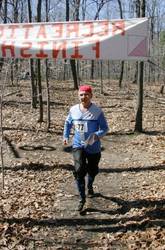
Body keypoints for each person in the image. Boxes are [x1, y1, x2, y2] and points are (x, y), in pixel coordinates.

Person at [63, 85, 109, 211]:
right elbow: (67, 123)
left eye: (86, 94)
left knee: (93, 170)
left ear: (91, 95)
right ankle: (82, 198)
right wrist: (66, 136)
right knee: (79, 171)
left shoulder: (97, 111)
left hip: (93, 146)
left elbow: (105, 128)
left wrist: (95, 136)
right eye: (81, 95)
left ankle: (90, 185)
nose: (84, 97)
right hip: (78, 145)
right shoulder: (73, 110)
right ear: (78, 96)